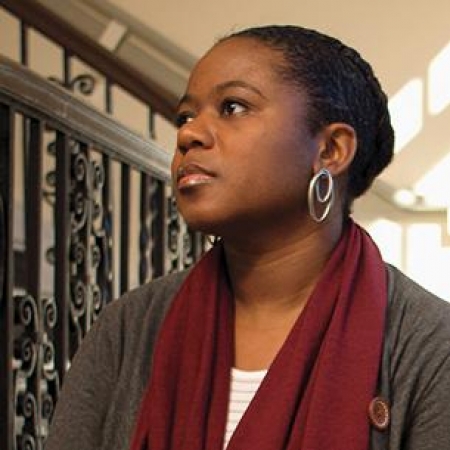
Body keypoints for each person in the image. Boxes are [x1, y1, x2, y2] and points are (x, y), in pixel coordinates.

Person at [45, 25, 450, 450]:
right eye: (186, 115)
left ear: (330, 150)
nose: (188, 134)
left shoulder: (428, 346)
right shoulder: (128, 328)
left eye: (233, 107)